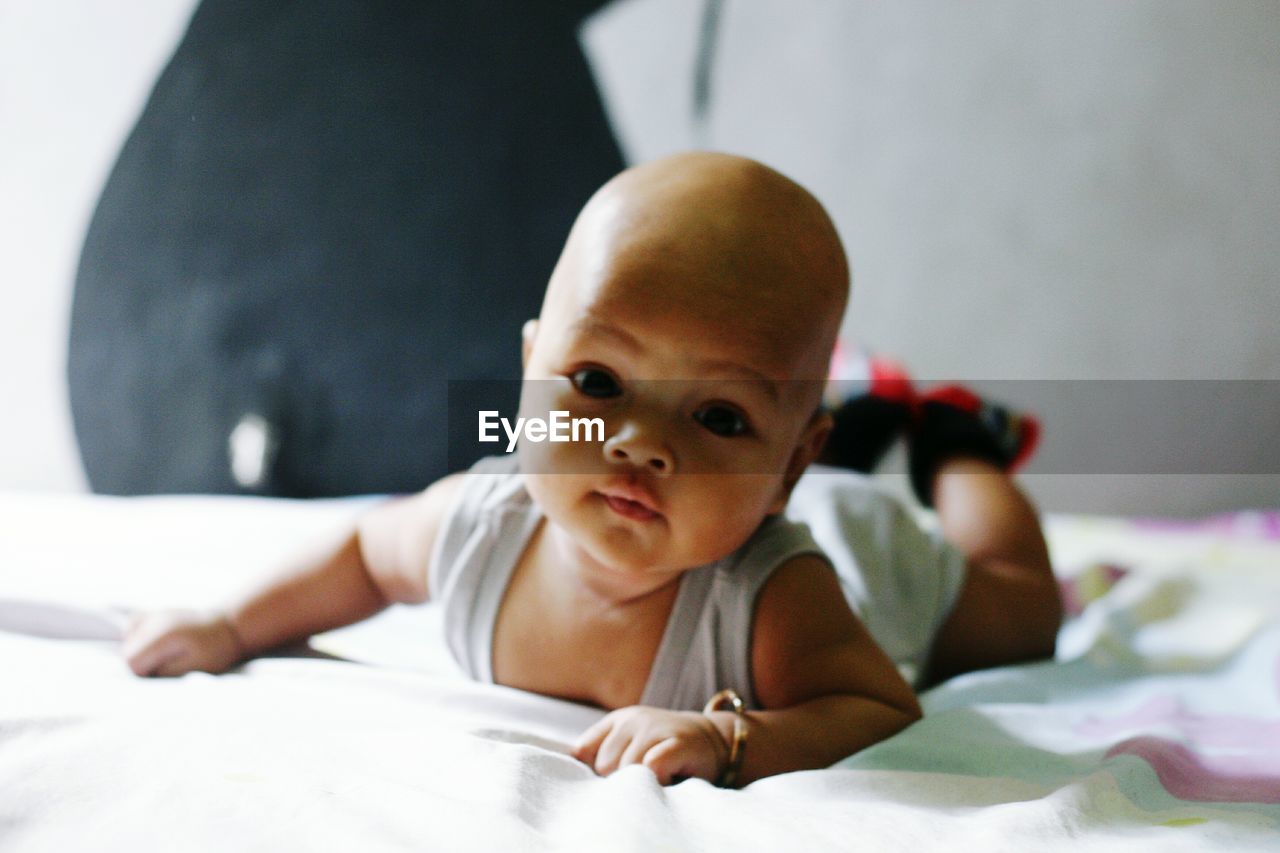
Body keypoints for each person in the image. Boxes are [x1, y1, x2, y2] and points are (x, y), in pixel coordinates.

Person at [123, 152, 1061, 787]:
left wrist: (734, 737)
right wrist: (230, 624)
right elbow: (366, 555)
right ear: (532, 365)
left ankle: (952, 440)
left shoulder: (770, 598)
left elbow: (874, 702)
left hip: (871, 561)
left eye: (719, 416)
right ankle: (841, 417)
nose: (643, 442)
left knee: (1019, 611)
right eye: (600, 379)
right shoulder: (479, 525)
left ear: (788, 468)